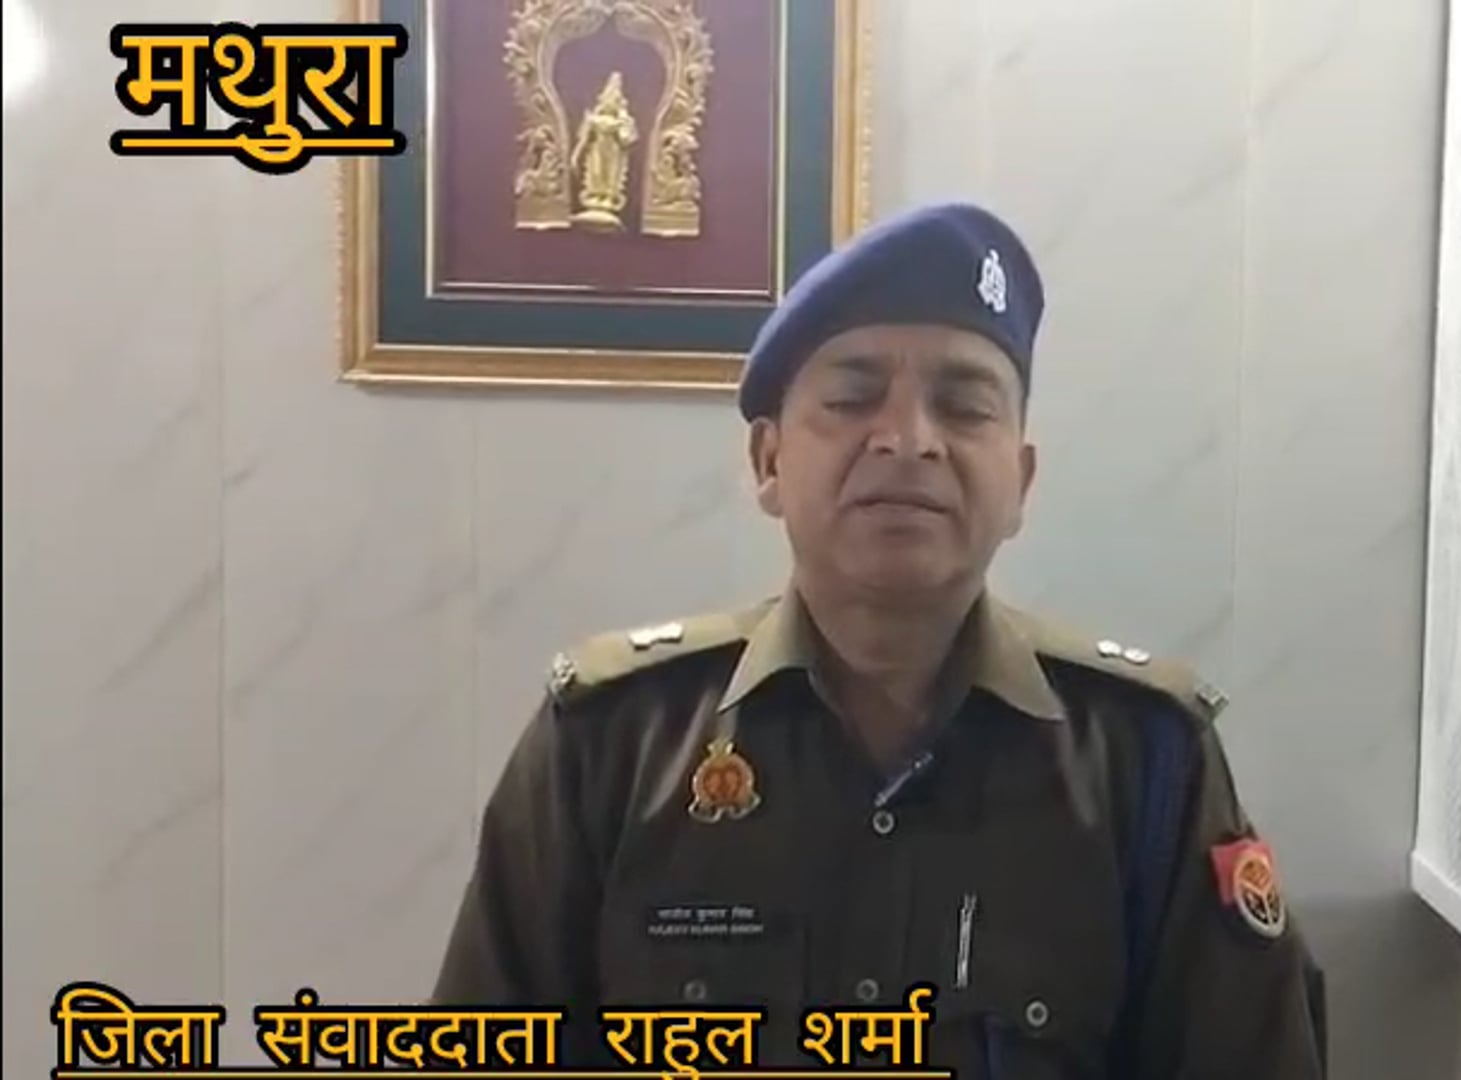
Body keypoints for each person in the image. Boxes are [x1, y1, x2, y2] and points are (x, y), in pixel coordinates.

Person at [431, 202, 1329, 1078]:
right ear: (769, 462)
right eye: (854, 397)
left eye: (963, 405)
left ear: (1020, 482)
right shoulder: (612, 742)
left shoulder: (1145, 760)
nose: (907, 439)